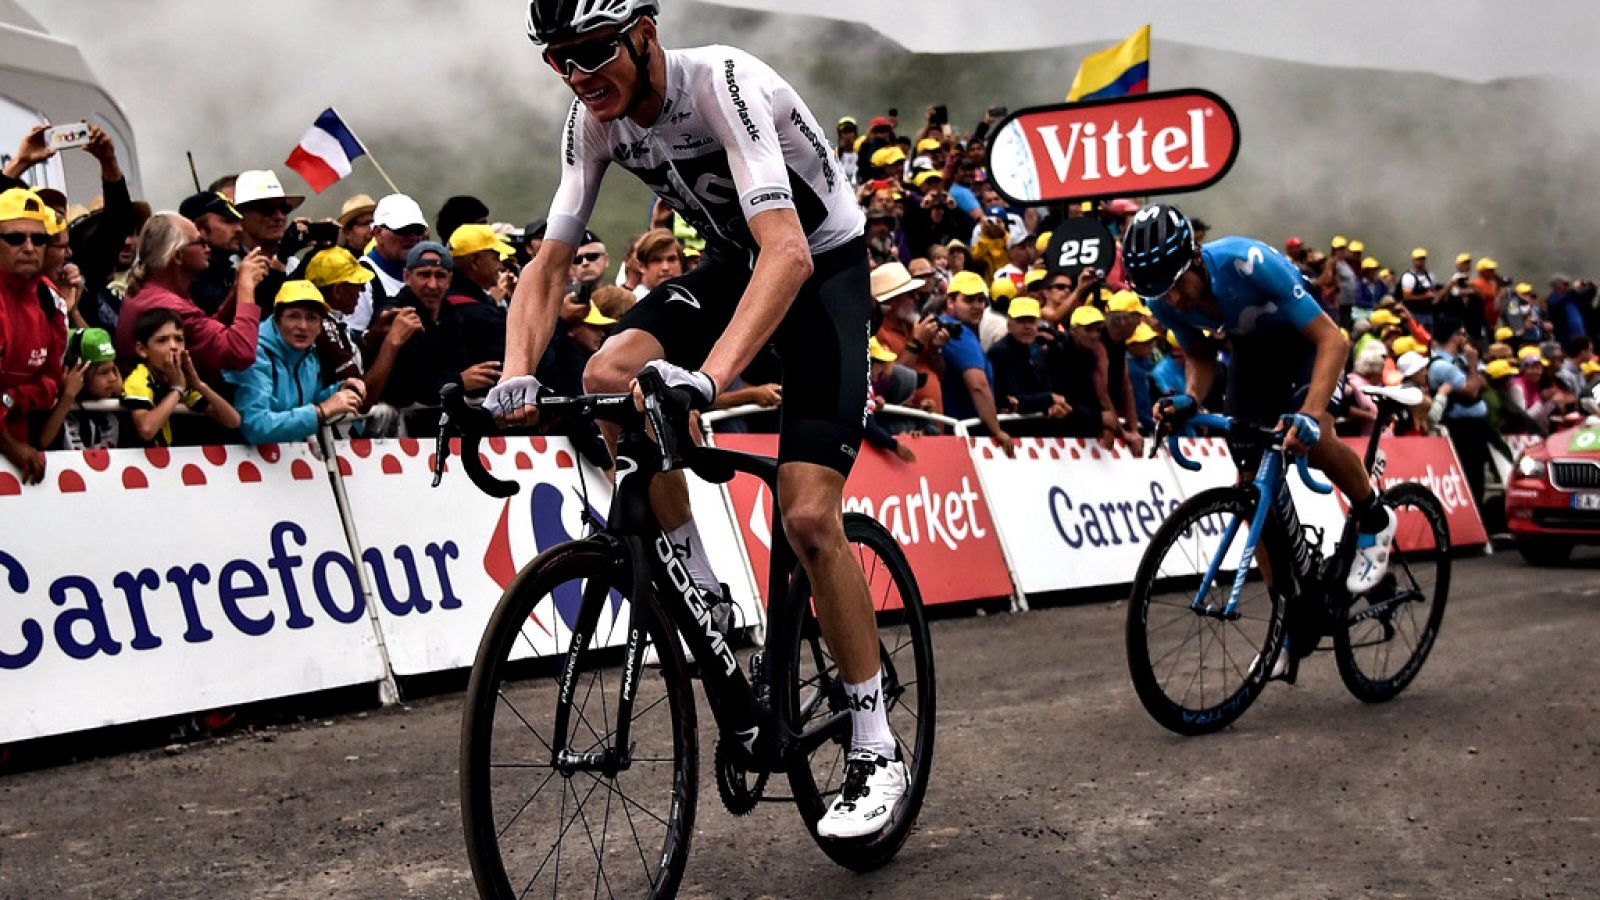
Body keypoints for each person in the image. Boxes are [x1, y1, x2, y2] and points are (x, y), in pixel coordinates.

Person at [496, 0, 909, 838]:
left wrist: (709, 380)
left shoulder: (721, 84)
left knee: (807, 515)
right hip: (735, 261)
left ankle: (875, 747)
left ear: (645, 33)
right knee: (607, 372)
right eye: (559, 59)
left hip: (820, 266)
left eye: (593, 51)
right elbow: (548, 264)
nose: (579, 75)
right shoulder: (592, 122)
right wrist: (513, 375)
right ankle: (703, 587)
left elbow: (788, 250)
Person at [1125, 203, 1397, 682]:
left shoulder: (1245, 262)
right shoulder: (1163, 297)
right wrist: (1190, 398)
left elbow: (1333, 341)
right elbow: (1200, 356)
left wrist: (1310, 414)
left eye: (1177, 285)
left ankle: (1373, 516)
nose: (1174, 299)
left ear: (1194, 259)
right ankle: (1288, 624)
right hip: (1251, 356)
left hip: (1307, 343)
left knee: (1315, 437)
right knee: (1252, 489)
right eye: (1161, 292)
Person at [116, 213, 268, 386]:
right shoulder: (167, 305)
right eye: (200, 242)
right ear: (178, 256)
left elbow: (203, 334)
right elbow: (241, 353)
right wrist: (246, 288)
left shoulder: (150, 291)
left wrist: (236, 293)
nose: (207, 248)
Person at [227, 281, 364, 445]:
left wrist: (339, 391)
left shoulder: (308, 354)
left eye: (312, 318)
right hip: (239, 456)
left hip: (286, 456)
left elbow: (307, 402)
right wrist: (321, 411)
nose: (303, 326)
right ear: (277, 320)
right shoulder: (253, 354)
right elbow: (255, 426)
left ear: (320, 326)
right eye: (293, 316)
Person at [304, 247, 414, 435]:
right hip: (326, 435)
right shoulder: (321, 326)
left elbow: (347, 360)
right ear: (338, 290)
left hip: (333, 431)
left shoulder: (332, 321)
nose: (362, 291)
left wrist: (372, 336)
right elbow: (362, 398)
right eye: (358, 285)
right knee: (385, 414)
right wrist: (391, 343)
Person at [0, 188, 67, 483]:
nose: (29, 248)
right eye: (15, 238)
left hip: (26, 452)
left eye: (39, 240)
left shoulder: (48, 297)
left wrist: (11, 398)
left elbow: (52, 379)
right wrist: (9, 445)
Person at [122, 308, 241, 447]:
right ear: (142, 350)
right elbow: (147, 430)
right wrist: (177, 389)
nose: (173, 346)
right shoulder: (138, 379)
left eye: (179, 339)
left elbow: (233, 421)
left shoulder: (178, 378)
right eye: (162, 341)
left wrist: (199, 385)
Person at [939, 272, 1013, 453]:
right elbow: (978, 385)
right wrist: (997, 430)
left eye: (981, 300)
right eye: (969, 300)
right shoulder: (958, 333)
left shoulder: (952, 329)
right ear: (950, 302)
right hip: (966, 437)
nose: (977, 306)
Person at [351, 193, 430, 333]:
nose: (412, 237)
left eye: (418, 231)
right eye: (403, 230)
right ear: (378, 233)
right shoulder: (361, 277)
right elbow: (353, 337)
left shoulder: (430, 273)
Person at [985, 296, 1068, 429]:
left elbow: (1047, 389)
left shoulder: (1039, 351)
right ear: (1009, 324)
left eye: (1031, 321)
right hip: (1010, 428)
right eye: (1021, 321)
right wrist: (1049, 398)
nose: (1027, 327)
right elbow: (1012, 399)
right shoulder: (1000, 352)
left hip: (1036, 428)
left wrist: (1052, 405)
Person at [40, 327, 124, 450]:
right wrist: (68, 397)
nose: (113, 378)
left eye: (113, 370)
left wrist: (121, 395)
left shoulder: (119, 405)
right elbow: (42, 443)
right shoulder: (50, 400)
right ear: (78, 372)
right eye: (104, 372)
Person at [233, 170, 303, 305]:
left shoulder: (293, 264)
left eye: (284, 209)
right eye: (267, 209)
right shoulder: (229, 267)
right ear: (241, 215)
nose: (279, 217)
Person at [178, 191, 244, 316]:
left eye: (238, 222)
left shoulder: (227, 273)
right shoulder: (191, 281)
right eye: (228, 221)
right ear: (198, 229)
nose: (239, 229)